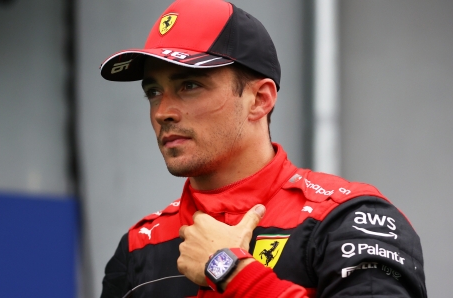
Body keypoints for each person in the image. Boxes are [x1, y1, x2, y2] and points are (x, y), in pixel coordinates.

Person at [98, 0, 427, 297]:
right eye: (153, 91)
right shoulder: (140, 245)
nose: (162, 111)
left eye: (189, 85)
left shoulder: (348, 220)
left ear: (259, 100)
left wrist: (230, 270)